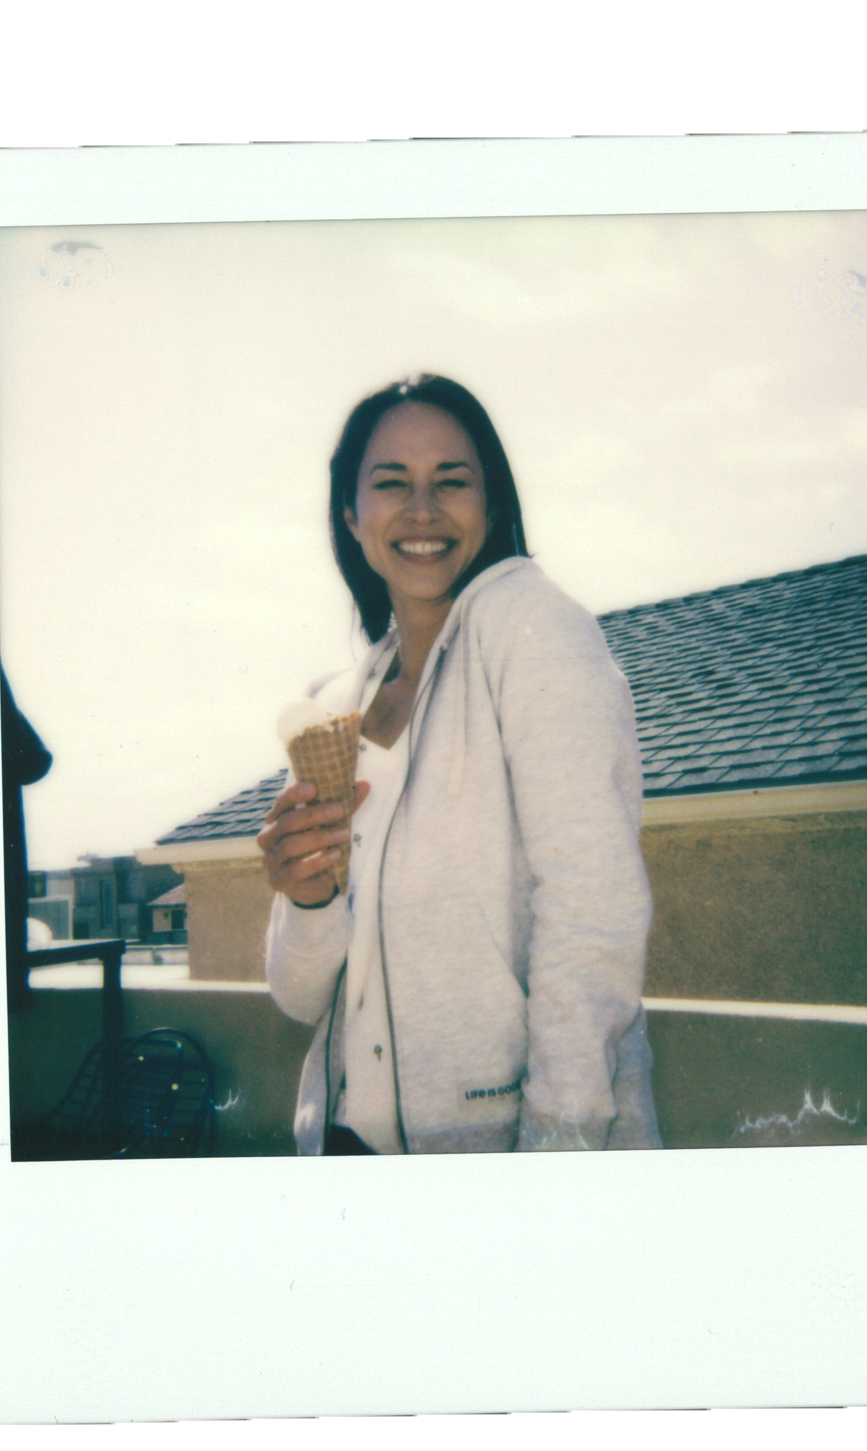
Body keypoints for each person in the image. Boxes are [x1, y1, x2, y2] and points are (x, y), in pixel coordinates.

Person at [257, 375, 661, 1155]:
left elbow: (594, 913)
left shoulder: (535, 628)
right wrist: (307, 900)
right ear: (351, 514)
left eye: (452, 480)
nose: (422, 509)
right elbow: (301, 998)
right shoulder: (334, 705)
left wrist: (556, 1157)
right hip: (342, 1151)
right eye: (390, 483)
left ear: (493, 504)